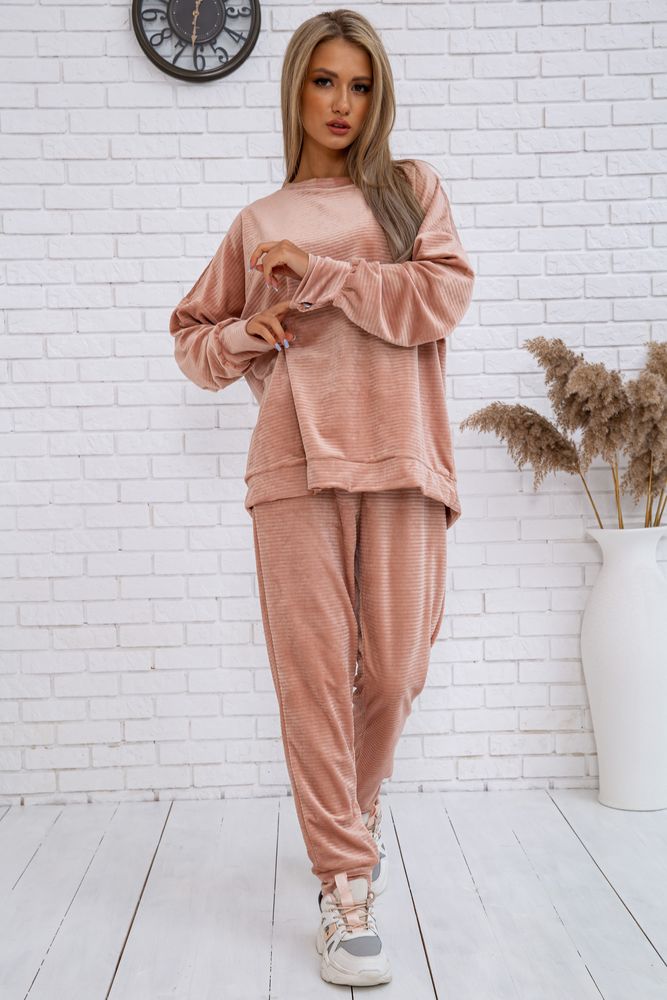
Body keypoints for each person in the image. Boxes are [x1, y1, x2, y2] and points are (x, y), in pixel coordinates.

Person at [169, 8, 475, 988]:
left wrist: (326, 274)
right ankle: (345, 888)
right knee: (310, 685)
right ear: (295, 87)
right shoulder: (259, 220)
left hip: (403, 457)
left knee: (395, 670)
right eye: (324, 81)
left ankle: (351, 814)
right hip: (293, 465)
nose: (342, 103)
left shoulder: (408, 191)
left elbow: (441, 296)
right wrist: (247, 332)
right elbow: (194, 341)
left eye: (360, 84)